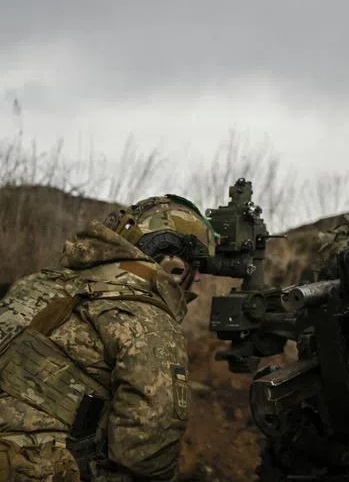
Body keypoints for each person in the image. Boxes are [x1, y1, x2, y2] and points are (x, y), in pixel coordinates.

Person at [0, 195, 216, 482]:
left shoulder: (35, 283)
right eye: (196, 267)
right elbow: (146, 452)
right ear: (173, 267)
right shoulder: (149, 320)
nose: (198, 278)